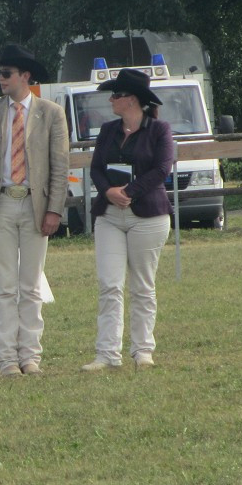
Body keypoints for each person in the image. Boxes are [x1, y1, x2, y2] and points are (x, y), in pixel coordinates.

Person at [0, 44, 70, 377]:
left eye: (6, 73)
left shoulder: (51, 113)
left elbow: (60, 166)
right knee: (5, 286)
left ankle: (30, 357)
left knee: (31, 286)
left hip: (34, 205)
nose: (0, 79)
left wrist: (54, 209)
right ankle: (6, 359)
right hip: (0, 204)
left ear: (25, 76)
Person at [81, 68, 174, 372]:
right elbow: (96, 168)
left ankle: (142, 350)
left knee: (142, 286)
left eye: (116, 95)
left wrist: (129, 192)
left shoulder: (159, 130)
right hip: (109, 216)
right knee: (109, 285)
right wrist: (108, 191)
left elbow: (161, 170)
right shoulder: (108, 130)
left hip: (147, 216)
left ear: (131, 100)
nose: (111, 100)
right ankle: (107, 354)